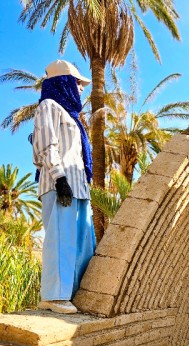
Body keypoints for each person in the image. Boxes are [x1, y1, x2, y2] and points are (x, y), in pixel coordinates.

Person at [32, 60, 96, 314]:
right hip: (59, 185)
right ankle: (54, 296)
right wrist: (59, 179)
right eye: (77, 82)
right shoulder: (48, 107)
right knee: (60, 240)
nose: (81, 88)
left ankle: (73, 295)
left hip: (78, 187)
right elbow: (46, 145)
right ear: (63, 83)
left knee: (82, 242)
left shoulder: (72, 117)